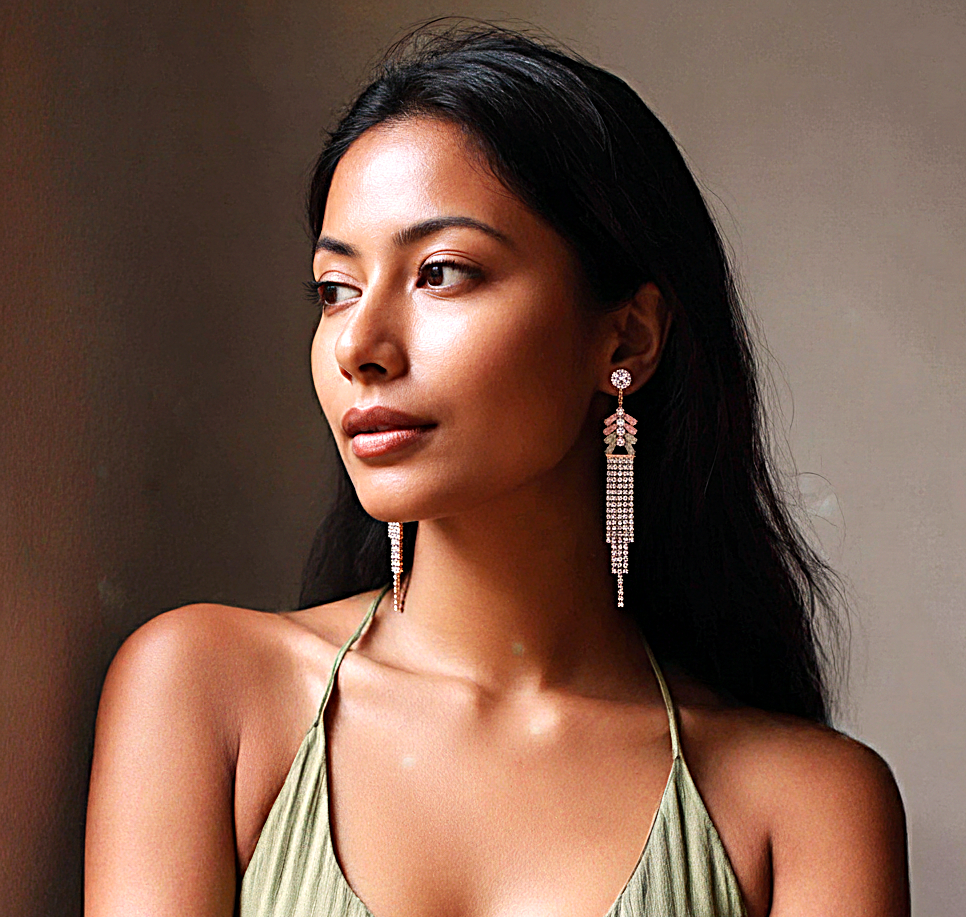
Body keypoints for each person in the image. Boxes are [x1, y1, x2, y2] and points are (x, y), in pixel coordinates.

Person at [85, 22, 910, 917]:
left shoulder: (804, 809)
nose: (360, 345)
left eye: (440, 272)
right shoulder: (207, 692)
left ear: (625, 336)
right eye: (335, 289)